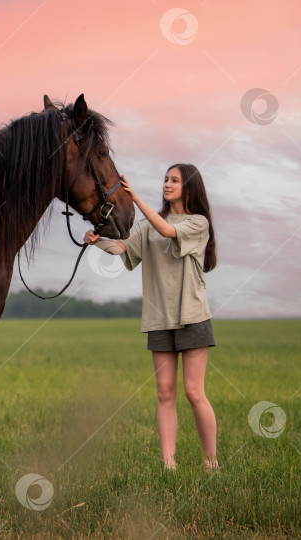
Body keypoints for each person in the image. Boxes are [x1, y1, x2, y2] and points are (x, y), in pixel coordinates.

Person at [84, 163, 218, 471]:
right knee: (164, 392)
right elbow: (122, 248)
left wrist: (136, 197)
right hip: (159, 318)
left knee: (194, 392)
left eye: (174, 180)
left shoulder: (198, 223)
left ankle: (212, 462)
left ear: (189, 187)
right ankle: (168, 465)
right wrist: (98, 240)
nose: (167, 184)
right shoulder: (147, 225)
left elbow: (168, 230)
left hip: (192, 316)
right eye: (165, 179)